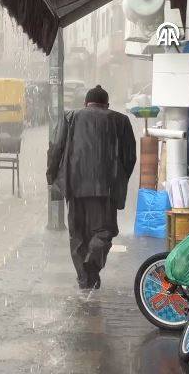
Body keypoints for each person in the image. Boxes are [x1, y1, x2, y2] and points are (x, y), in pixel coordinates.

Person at [46, 85, 136, 289]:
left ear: (85, 103)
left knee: (77, 235)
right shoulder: (120, 121)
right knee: (104, 230)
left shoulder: (70, 118)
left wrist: (52, 177)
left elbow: (55, 150)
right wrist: (119, 179)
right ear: (107, 105)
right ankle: (92, 264)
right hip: (106, 189)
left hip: (74, 187)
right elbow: (129, 157)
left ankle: (85, 279)